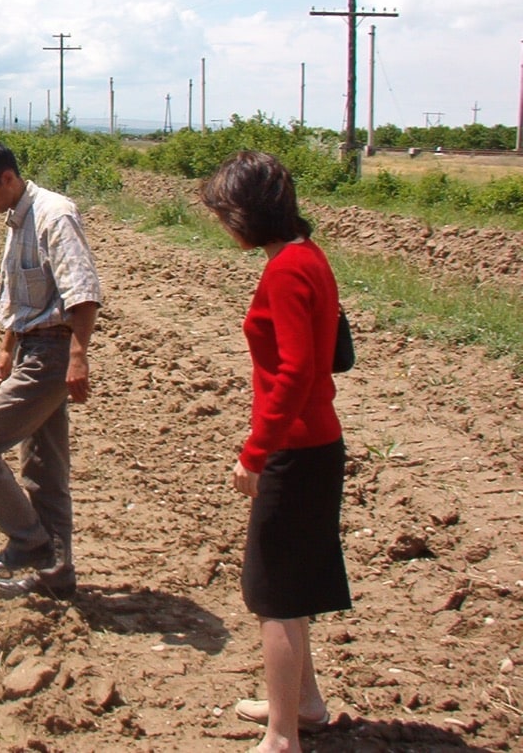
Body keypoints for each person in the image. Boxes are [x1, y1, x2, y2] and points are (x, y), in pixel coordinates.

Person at [200, 151, 348, 753]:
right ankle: (304, 704)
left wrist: (255, 453)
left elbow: (295, 372)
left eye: (223, 214)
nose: (222, 225)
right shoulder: (307, 256)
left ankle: (281, 736)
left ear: (246, 213)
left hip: (295, 447)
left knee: (274, 595)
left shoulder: (286, 271)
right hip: (318, 443)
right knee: (289, 582)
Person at [0, 139, 102, 601]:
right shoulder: (18, 218)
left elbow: (82, 291)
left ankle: (29, 541)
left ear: (8, 179)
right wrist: (6, 348)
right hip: (32, 348)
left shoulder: (53, 215)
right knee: (43, 468)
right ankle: (55, 574)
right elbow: (25, 299)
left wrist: (78, 357)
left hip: (53, 354)